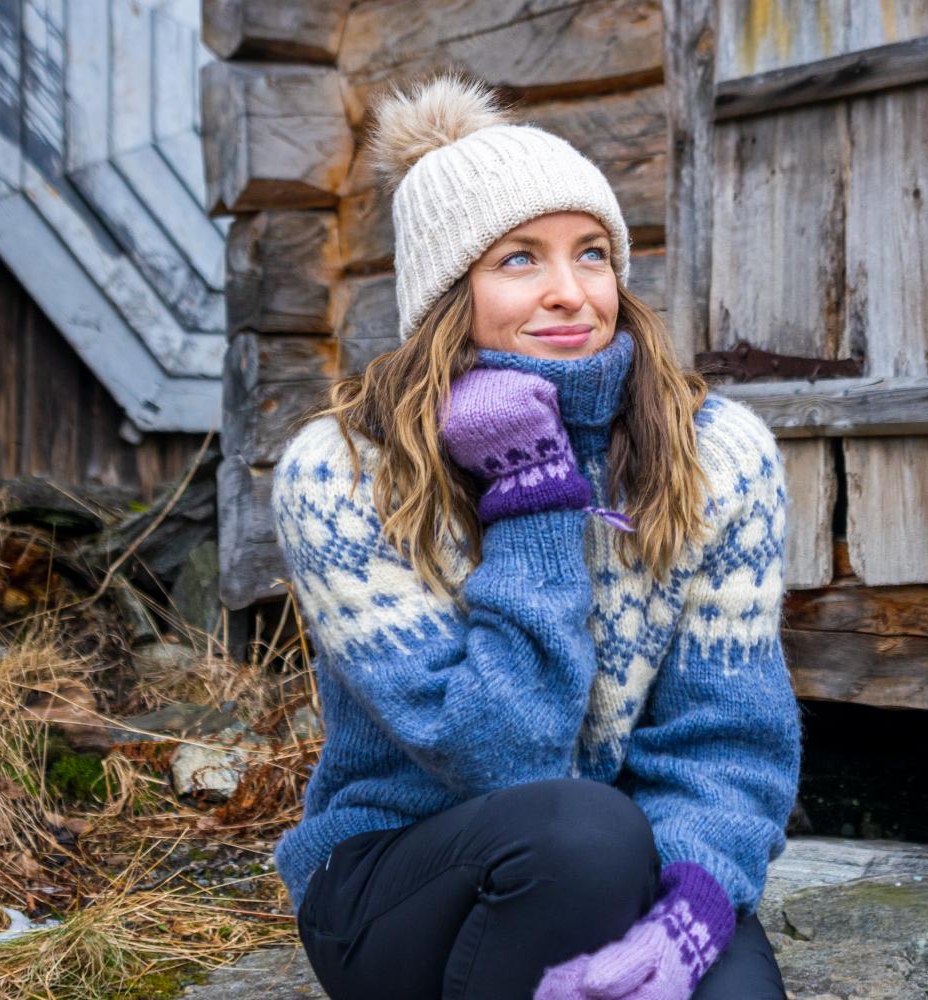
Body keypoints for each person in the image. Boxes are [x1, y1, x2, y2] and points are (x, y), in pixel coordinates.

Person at [268, 75, 800, 1000]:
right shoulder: (340, 473)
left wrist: (693, 911)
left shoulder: (720, 456)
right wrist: (534, 495)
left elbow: (727, 743)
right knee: (581, 835)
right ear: (448, 291)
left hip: (629, 861)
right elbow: (497, 759)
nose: (571, 294)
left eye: (591, 254)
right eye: (520, 259)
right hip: (401, 881)